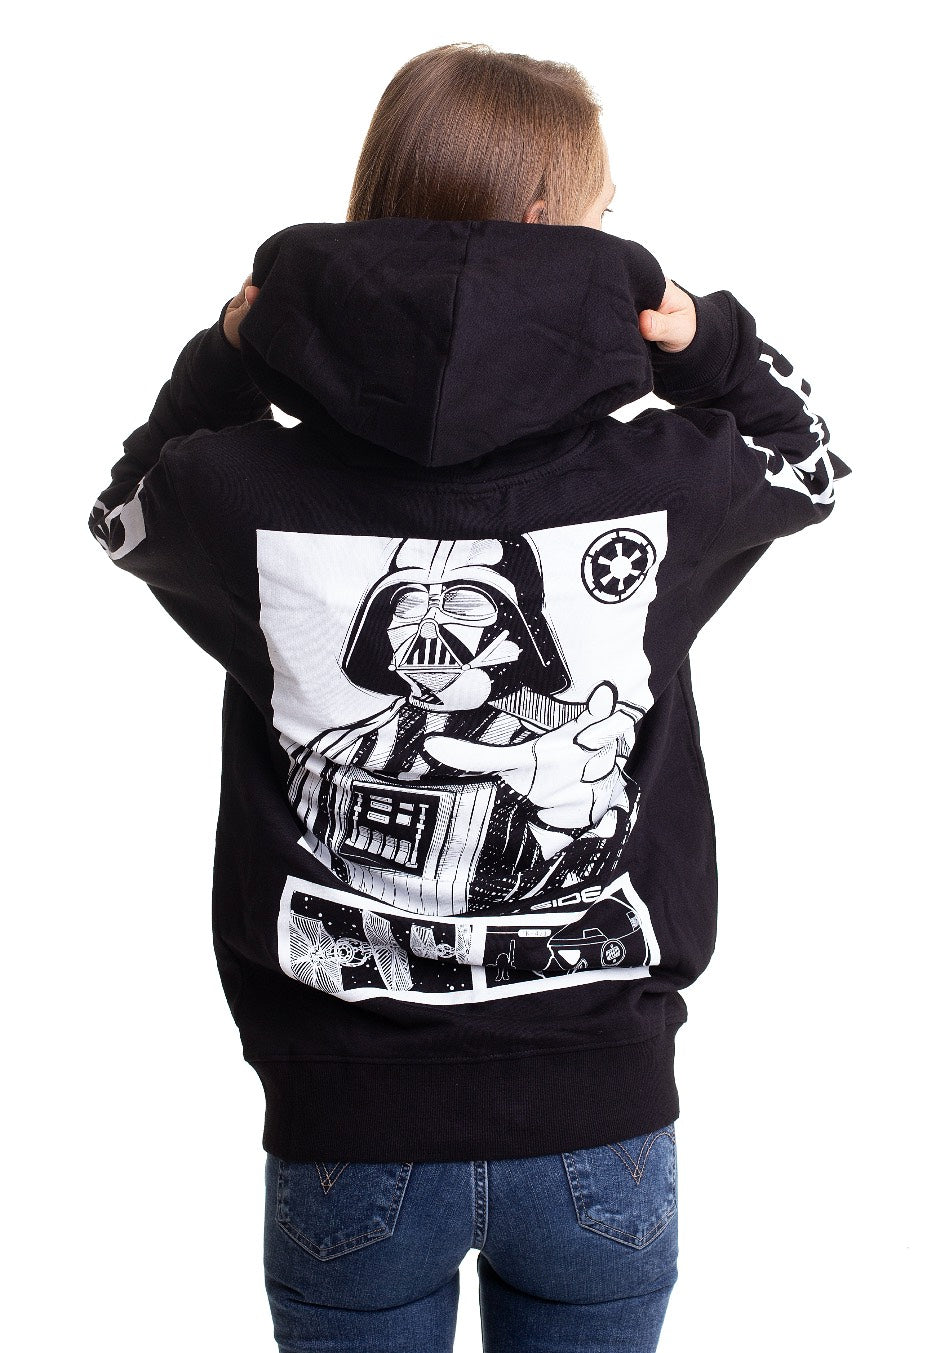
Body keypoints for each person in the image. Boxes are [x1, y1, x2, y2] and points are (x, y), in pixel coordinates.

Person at [88, 40, 851, 1353]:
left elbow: (120, 509)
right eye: (601, 210)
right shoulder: (663, 481)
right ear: (553, 221)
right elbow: (814, 459)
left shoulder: (239, 494)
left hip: (345, 1127)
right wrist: (702, 332)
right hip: (600, 1119)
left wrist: (230, 352)